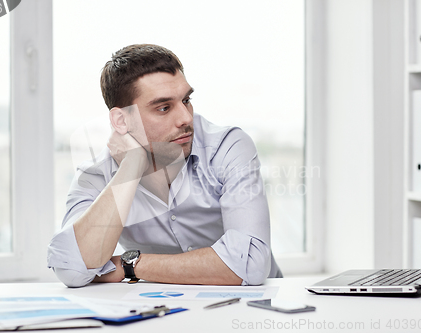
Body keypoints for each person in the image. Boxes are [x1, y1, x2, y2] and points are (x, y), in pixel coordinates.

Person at [47, 44, 282, 288]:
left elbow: (250, 265)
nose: (185, 118)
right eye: (163, 108)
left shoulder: (227, 147)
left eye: (186, 100)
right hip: (165, 309)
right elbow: (72, 269)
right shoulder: (97, 174)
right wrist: (132, 166)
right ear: (122, 120)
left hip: (252, 306)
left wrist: (130, 265)